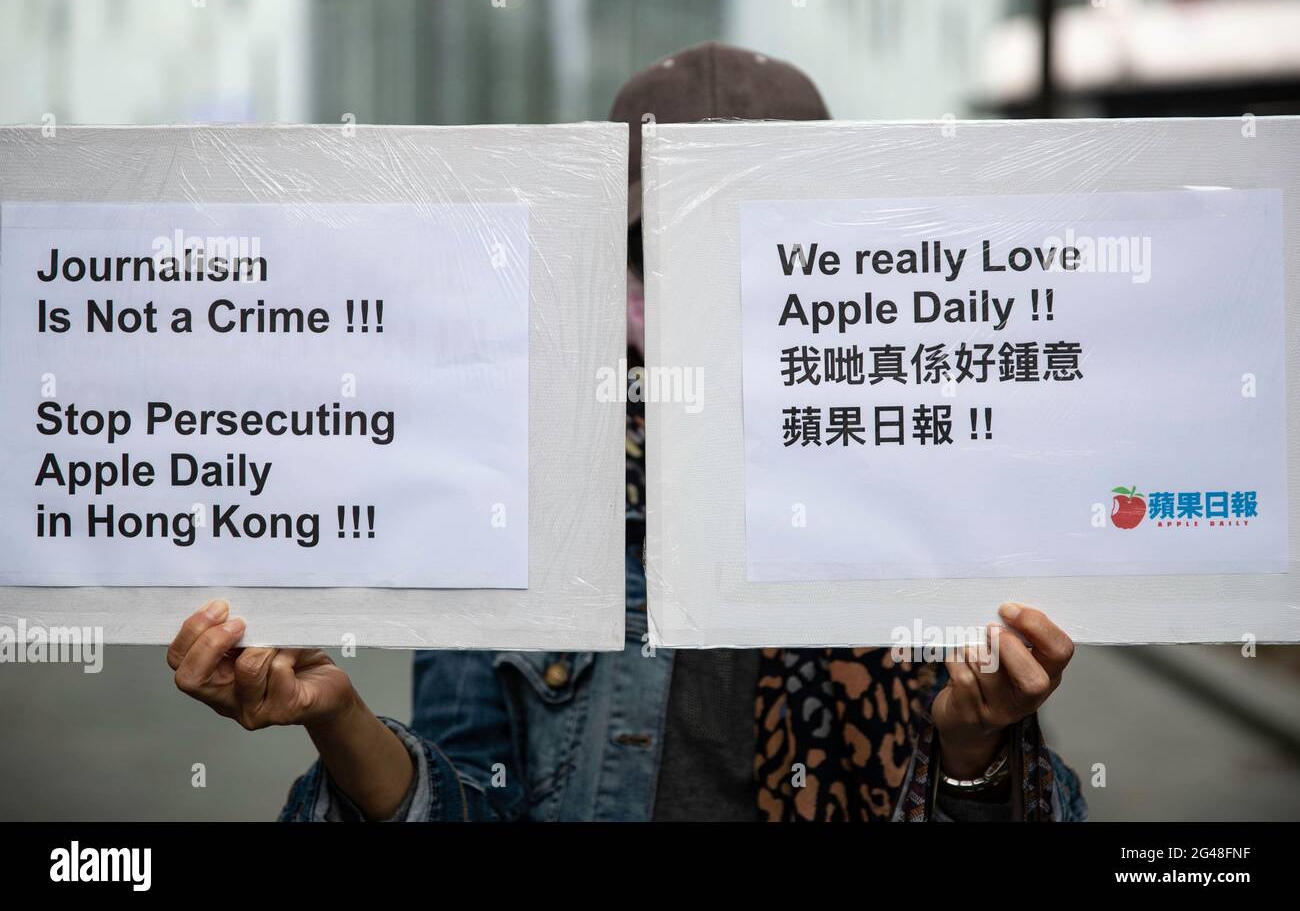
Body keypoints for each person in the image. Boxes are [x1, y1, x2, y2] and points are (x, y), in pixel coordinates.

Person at [167, 43, 1086, 822]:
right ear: (620, 258)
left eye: (770, 240)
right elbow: (469, 796)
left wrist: (977, 749)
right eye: (680, 236)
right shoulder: (521, 490)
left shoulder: (936, 470)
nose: (725, 281)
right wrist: (339, 720)